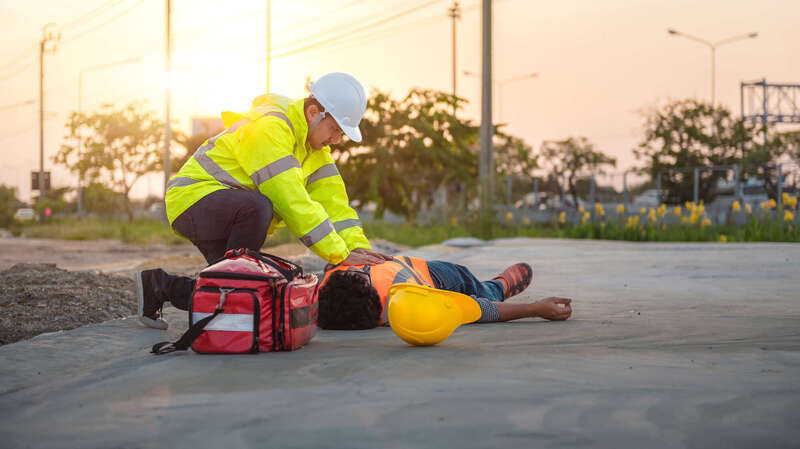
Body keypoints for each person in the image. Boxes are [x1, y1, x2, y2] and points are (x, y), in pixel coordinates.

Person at [137, 72, 391, 330]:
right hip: (193, 201)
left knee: (246, 292)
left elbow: (337, 208)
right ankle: (206, 293)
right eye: (335, 129)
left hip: (225, 211)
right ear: (314, 112)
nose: (336, 140)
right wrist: (339, 254)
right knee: (259, 208)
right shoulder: (270, 127)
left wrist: (359, 251)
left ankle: (159, 286)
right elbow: (290, 199)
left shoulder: (316, 154)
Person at [317, 256, 572, 330]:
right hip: (421, 273)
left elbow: (477, 309)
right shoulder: (327, 281)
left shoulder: (410, 297)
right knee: (477, 294)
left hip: (432, 272)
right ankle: (496, 286)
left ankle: (495, 286)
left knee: (472, 284)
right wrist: (535, 308)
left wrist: (535, 308)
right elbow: (475, 309)